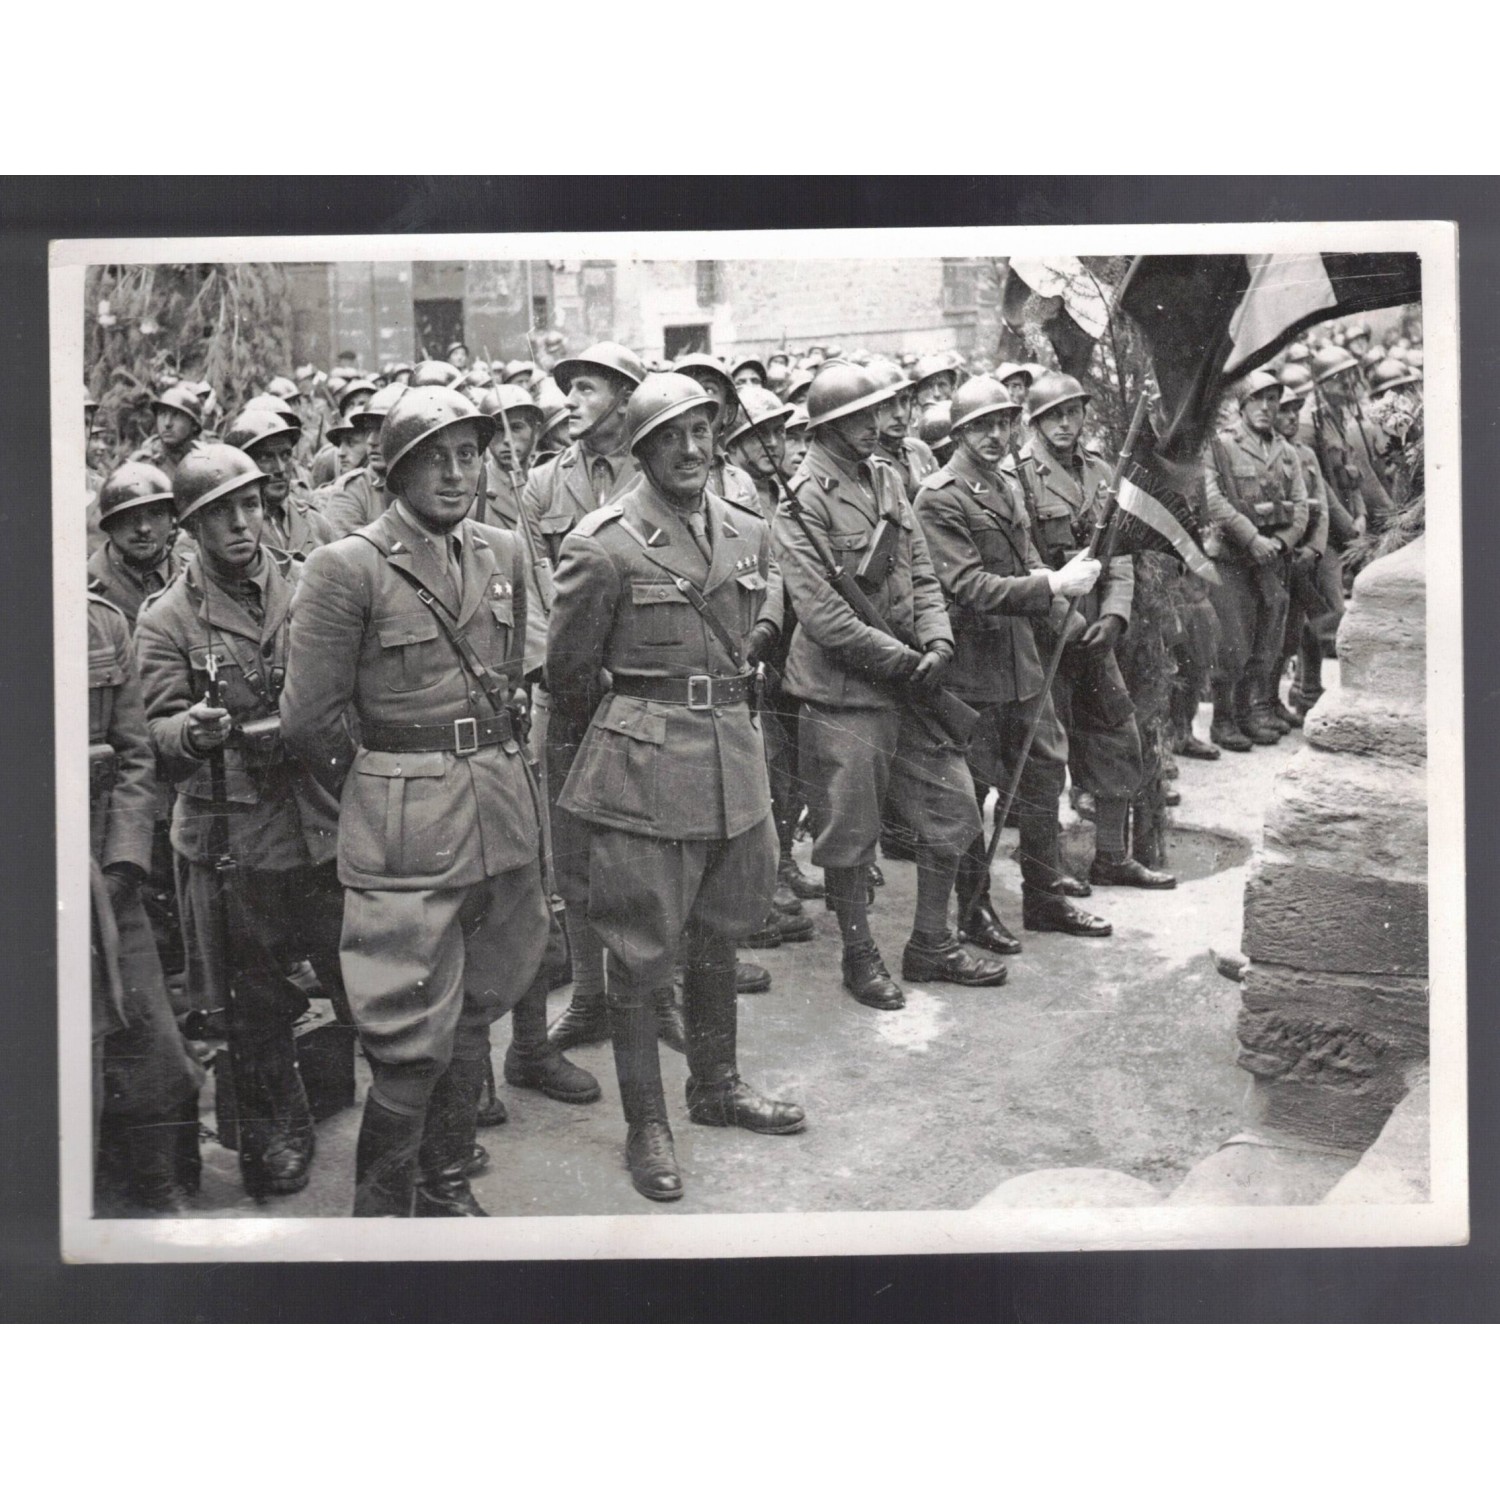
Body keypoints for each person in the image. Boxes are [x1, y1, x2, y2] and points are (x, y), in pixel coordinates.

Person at [282, 386, 597, 1218]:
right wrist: (387, 782)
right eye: (436, 457)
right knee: (404, 1033)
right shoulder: (345, 566)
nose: (458, 473)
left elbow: (514, 684)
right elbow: (309, 721)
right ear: (395, 470)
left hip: (496, 810)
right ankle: (382, 1223)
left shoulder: (501, 549)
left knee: (475, 1012)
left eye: (470, 454)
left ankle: (446, 1186)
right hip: (402, 824)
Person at [547, 373, 804, 1202]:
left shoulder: (744, 527)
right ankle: (646, 1125)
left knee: (721, 932)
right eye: (671, 437)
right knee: (638, 951)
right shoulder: (605, 542)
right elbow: (570, 678)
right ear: (641, 449)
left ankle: (717, 1086)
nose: (691, 450)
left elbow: (762, 620)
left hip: (733, 756)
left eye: (702, 433)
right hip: (646, 766)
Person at [135, 445, 350, 1200]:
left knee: (363, 976)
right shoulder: (166, 619)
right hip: (235, 836)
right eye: (219, 512)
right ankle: (278, 1125)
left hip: (324, 820)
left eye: (250, 505)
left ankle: (402, 1115)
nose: (240, 523)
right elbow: (150, 733)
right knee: (254, 1003)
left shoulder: (313, 582)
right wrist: (189, 732)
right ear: (189, 527)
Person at [772, 362, 1008, 1011]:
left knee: (956, 808)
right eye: (863, 413)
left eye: (878, 411)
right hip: (843, 694)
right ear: (830, 424)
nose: (878, 422)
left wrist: (937, 643)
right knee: (850, 834)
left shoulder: (887, 477)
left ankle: (932, 942)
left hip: (913, 680)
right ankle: (859, 953)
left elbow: (923, 572)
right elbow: (824, 618)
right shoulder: (802, 501)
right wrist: (905, 661)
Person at [915, 376, 1111, 948]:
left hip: (1023, 661)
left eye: (1004, 423)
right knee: (971, 792)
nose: (998, 435)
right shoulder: (938, 496)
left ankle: (1044, 898)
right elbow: (967, 584)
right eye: (983, 426)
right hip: (971, 670)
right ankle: (972, 909)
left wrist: (1061, 612)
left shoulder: (1005, 485)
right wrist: (1051, 582)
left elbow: (1023, 556)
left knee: (1044, 776)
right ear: (959, 432)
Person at [521, 342, 651, 1056]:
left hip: (639, 691)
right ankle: (592, 998)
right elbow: (536, 582)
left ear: (625, 398)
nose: (570, 400)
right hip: (567, 691)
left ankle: (653, 994)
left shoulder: (654, 469)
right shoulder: (543, 483)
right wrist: (561, 666)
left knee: (647, 850)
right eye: (567, 389)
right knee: (570, 852)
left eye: (588, 388)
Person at [1014, 373, 1176, 888]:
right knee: (1044, 753)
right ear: (1035, 421)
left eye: (1072, 412)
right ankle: (1043, 866)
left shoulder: (1104, 469)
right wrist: (1068, 615)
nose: (1064, 423)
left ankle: (1111, 855)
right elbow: (1026, 560)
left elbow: (1119, 554)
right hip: (1044, 634)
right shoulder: (1017, 477)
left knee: (1116, 735)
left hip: (1093, 636)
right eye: (1052, 416)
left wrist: (1115, 615)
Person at [90, 582, 205, 1213]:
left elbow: (135, 756)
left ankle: (157, 1188)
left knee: (151, 1037)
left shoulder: (101, 625)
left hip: (102, 867)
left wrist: (124, 861)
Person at [1201, 368, 1310, 750]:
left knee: (1266, 638)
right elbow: (1212, 500)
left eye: (1273, 400)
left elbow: (1300, 505)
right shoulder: (1221, 445)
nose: (1267, 407)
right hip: (1232, 558)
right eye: (1259, 399)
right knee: (1232, 641)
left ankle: (1248, 714)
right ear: (1242, 405)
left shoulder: (1286, 451)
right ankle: (1223, 720)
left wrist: (1280, 543)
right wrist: (1251, 538)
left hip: (1271, 560)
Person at [1273, 370, 1342, 726]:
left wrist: (1315, 548)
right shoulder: (1270, 452)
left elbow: (1321, 505)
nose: (1290, 417)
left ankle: (1301, 695)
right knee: (1278, 632)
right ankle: (1270, 701)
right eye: (1284, 409)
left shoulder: (1306, 453)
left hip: (1307, 556)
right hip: (1280, 552)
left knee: (1306, 625)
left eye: (1295, 410)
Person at [224, 408, 336, 558]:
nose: (280, 468)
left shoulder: (315, 521)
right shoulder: (224, 530)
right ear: (238, 464)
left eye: (286, 455)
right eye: (265, 457)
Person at [88, 463, 183, 624]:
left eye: (156, 513)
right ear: (109, 524)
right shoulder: (85, 586)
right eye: (129, 516)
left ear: (171, 520)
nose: (143, 528)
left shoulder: (194, 573)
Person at [320, 384, 407, 538]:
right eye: (368, 430)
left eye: (382, 430)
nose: (371, 441)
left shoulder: (428, 484)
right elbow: (354, 556)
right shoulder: (351, 491)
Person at [129, 384, 204, 483]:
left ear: (194, 425)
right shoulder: (142, 464)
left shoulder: (204, 458)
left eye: (176, 415)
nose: (167, 423)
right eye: (162, 414)